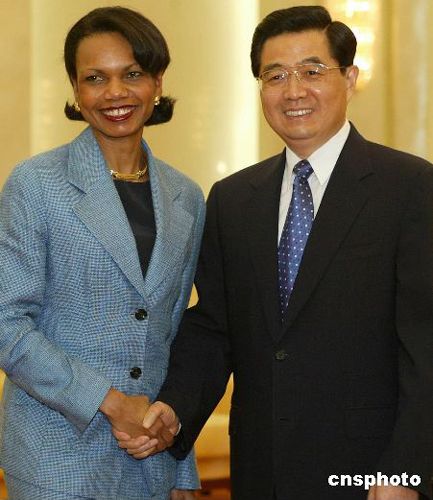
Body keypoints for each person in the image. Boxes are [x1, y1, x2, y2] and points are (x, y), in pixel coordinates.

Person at [114, 5, 433, 500]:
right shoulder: (234, 199)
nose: (294, 91)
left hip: (369, 475)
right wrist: (175, 408)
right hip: (261, 471)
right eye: (275, 75)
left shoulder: (410, 187)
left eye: (312, 71)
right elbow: (215, 327)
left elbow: (426, 345)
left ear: (349, 78)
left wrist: (404, 472)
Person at [0, 6, 204, 500]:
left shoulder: (186, 196)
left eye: (131, 74)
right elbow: (6, 323)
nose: (115, 93)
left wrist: (182, 466)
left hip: (152, 456)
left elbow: (175, 337)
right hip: (56, 459)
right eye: (95, 78)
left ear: (157, 82)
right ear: (76, 89)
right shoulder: (36, 184)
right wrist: (109, 401)